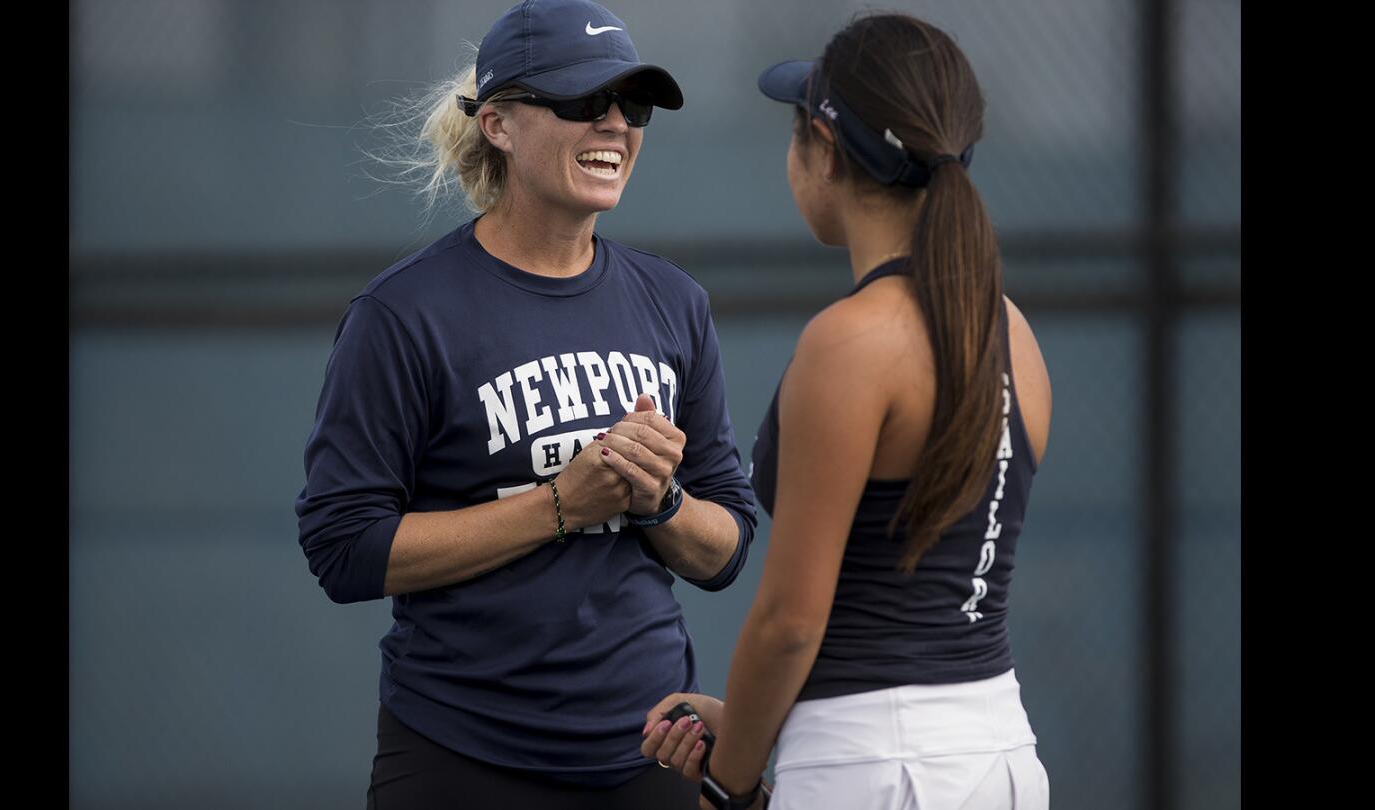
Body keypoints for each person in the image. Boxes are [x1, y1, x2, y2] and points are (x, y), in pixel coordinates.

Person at [293, 1, 757, 807]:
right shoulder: (405, 314)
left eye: (631, 106)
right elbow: (342, 548)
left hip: (646, 754)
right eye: (583, 102)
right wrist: (559, 506)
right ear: (500, 124)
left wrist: (661, 500)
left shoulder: (674, 303)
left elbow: (727, 550)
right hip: (461, 756)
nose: (613, 125)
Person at [638, 12, 1053, 810]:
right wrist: (759, 728)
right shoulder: (1013, 330)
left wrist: (728, 785)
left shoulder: (850, 342)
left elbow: (791, 620)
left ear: (823, 154)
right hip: (997, 754)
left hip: (873, 767)